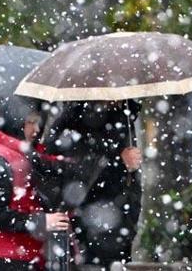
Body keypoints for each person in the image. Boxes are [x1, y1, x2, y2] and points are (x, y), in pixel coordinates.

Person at [43, 100, 143, 270]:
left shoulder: (124, 112)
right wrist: (118, 161)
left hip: (120, 224)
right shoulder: (77, 116)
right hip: (90, 224)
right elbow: (74, 167)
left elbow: (129, 179)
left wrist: (131, 217)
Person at [0, 97, 70, 271]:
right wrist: (41, 222)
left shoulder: (19, 155)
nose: (36, 129)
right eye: (31, 122)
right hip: (5, 258)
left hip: (18, 256)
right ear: (16, 123)